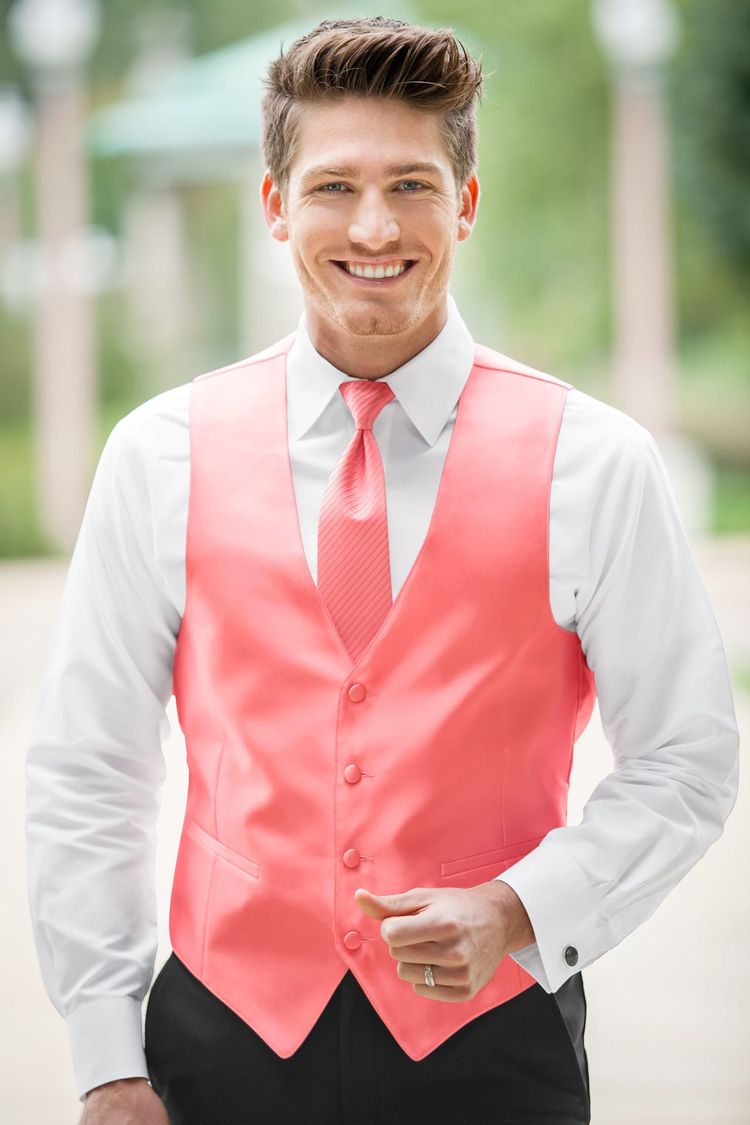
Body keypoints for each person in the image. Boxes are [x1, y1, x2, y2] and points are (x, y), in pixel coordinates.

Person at [26, 16, 739, 1125]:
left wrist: (517, 908)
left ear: (465, 201)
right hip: (217, 1039)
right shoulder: (158, 453)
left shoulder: (593, 464)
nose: (373, 226)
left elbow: (688, 758)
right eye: (332, 187)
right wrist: (108, 1057)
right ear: (275, 206)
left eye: (411, 184)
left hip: (496, 1043)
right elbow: (88, 771)